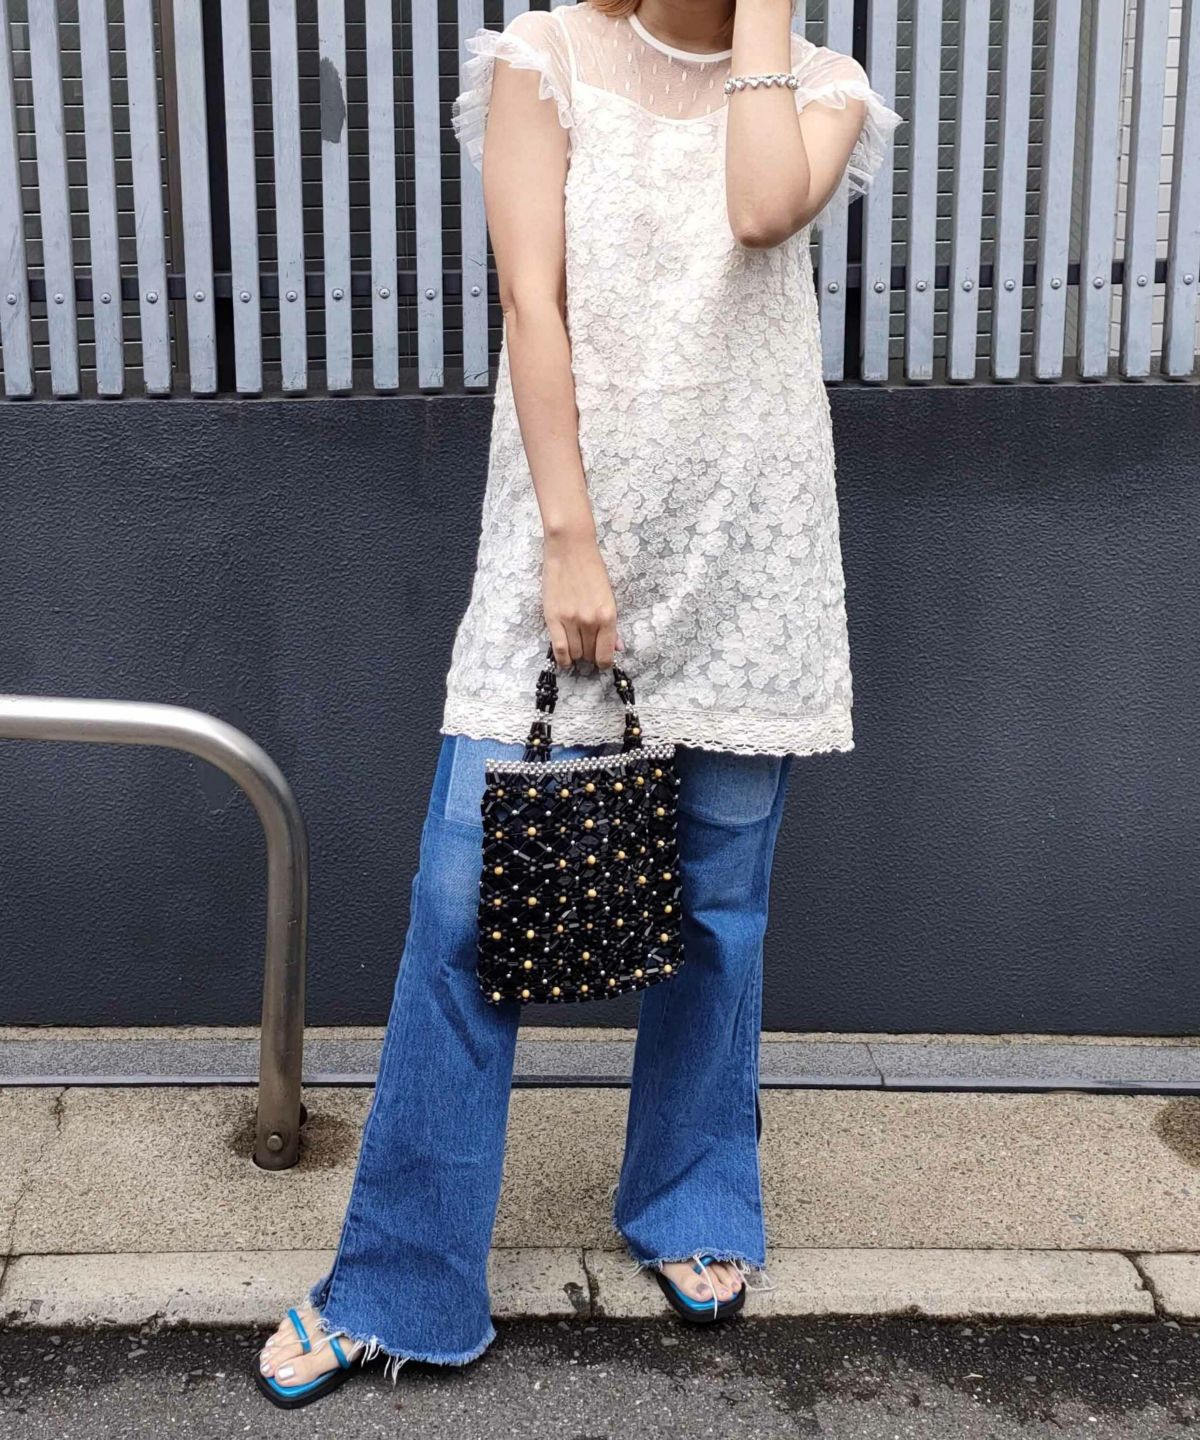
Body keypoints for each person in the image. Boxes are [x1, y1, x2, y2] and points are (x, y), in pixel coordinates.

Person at [255, 0, 900, 1409]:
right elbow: (531, 302)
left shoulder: (823, 87)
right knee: (461, 908)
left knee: (718, 911)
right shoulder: (541, 57)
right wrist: (567, 538)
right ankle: (400, 1282)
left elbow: (756, 211)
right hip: (569, 542)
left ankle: (691, 1200)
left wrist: (764, 24)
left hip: (746, 558)